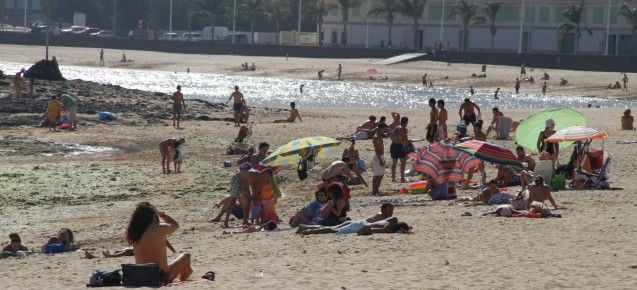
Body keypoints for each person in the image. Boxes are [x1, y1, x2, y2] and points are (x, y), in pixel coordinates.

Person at [127, 202, 192, 285]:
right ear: (153, 215)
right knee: (186, 255)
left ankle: (185, 275)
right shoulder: (160, 228)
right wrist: (162, 215)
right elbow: (175, 225)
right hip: (160, 277)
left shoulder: (133, 232)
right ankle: (183, 277)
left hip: (140, 276)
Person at [296, 217, 410, 235]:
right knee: (332, 230)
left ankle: (304, 226)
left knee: (335, 227)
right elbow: (368, 229)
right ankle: (308, 231)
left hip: (359, 221)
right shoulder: (388, 229)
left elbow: (394, 218)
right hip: (358, 227)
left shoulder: (390, 221)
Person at [390, 118, 409, 183]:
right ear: (405, 122)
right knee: (403, 162)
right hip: (400, 146)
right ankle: (402, 178)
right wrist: (408, 142)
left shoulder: (396, 127)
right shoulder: (404, 129)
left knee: (394, 163)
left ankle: (393, 178)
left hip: (393, 146)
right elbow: (405, 140)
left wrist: (398, 140)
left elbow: (391, 137)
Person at [371, 123, 388, 195]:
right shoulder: (376, 137)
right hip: (378, 157)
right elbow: (377, 150)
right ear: (380, 128)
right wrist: (381, 160)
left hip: (380, 156)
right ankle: (374, 191)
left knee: (381, 174)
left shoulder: (379, 135)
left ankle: (376, 190)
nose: (385, 131)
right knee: (377, 175)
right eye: (384, 129)